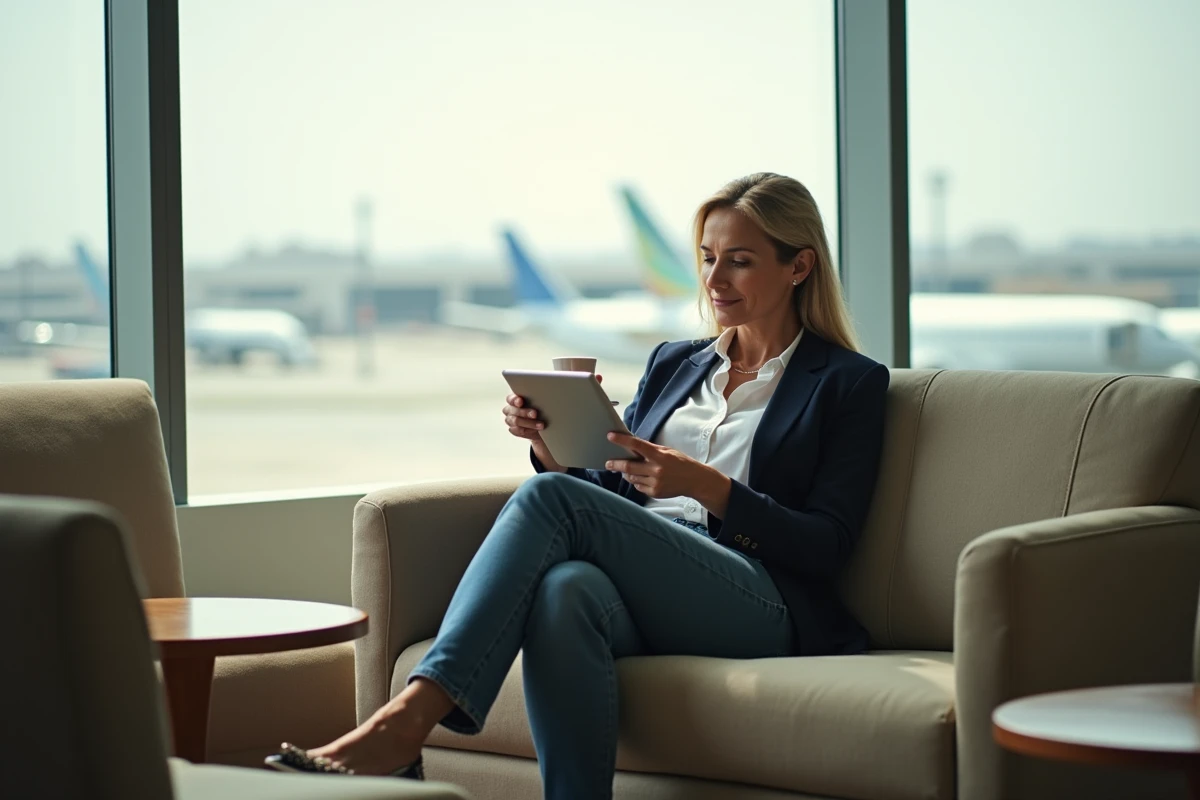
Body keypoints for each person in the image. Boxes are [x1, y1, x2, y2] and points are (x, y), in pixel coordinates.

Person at [266, 172, 890, 800]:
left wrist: (709, 488)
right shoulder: (676, 361)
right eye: (707, 258)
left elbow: (827, 544)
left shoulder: (847, 382)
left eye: (740, 262)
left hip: (760, 596)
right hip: (648, 573)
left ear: (799, 266)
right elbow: (615, 496)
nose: (713, 279)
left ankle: (404, 724)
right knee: (564, 591)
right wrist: (548, 441)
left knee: (550, 500)